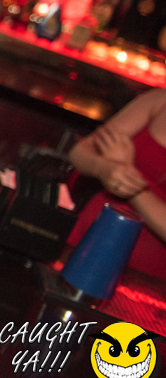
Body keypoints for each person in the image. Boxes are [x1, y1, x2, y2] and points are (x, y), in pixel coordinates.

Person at [68, 88, 166, 280]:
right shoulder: (159, 101)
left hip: (144, 277)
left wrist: (128, 180)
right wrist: (103, 168)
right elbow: (80, 151)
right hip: (89, 238)